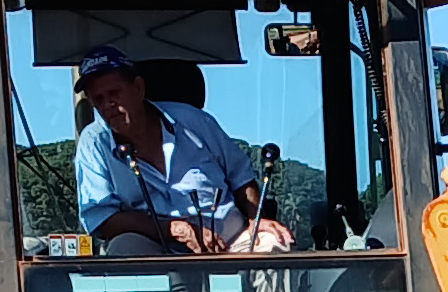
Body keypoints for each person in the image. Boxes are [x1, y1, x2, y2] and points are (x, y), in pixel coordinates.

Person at [72, 46, 289, 255]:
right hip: (157, 250)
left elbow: (241, 177)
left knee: (274, 242)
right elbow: (102, 219)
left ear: (138, 88)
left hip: (231, 243)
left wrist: (256, 220)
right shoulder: (93, 143)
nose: (107, 104)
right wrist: (176, 229)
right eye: (98, 99)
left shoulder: (193, 121)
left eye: (114, 93)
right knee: (124, 248)